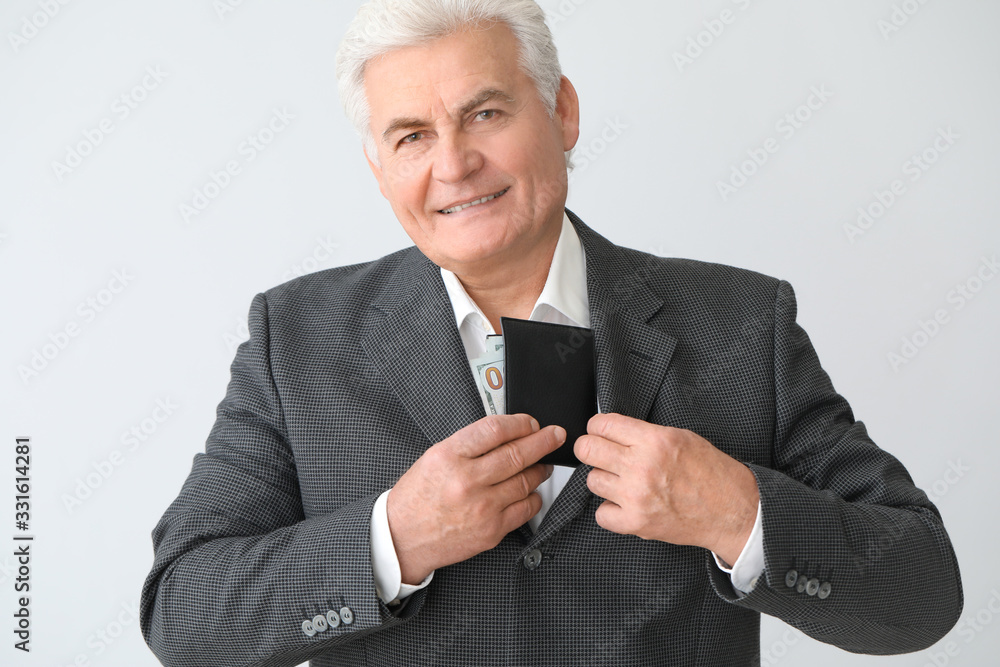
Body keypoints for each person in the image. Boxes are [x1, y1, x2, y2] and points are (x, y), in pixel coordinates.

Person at [140, 1, 963, 665]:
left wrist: (735, 511)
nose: (454, 164)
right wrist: (391, 539)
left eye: (485, 112)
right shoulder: (297, 342)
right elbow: (183, 611)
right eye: (412, 136)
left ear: (561, 111)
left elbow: (922, 590)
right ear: (379, 167)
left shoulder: (741, 323)